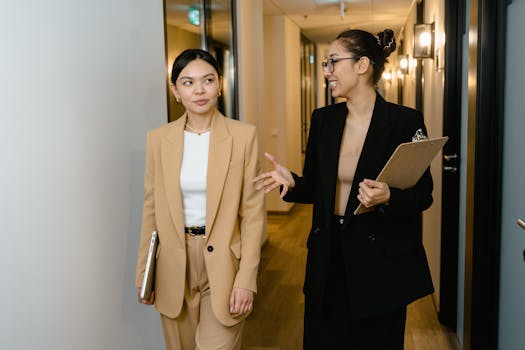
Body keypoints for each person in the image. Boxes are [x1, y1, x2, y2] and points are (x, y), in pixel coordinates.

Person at [254, 29, 434, 349]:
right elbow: (315, 187)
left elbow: (423, 194)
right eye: (326, 63)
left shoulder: (404, 122)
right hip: (329, 257)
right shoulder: (323, 120)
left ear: (362, 65)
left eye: (333, 62)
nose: (327, 72)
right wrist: (292, 182)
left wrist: (389, 195)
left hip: (381, 264)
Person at [135, 48, 265, 350]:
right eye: (188, 82)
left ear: (219, 84)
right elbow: (151, 209)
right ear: (175, 91)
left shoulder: (244, 136)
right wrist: (144, 274)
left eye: (207, 80)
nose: (199, 90)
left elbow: (253, 214)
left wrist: (247, 279)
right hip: (172, 265)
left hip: (224, 263)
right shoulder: (158, 140)